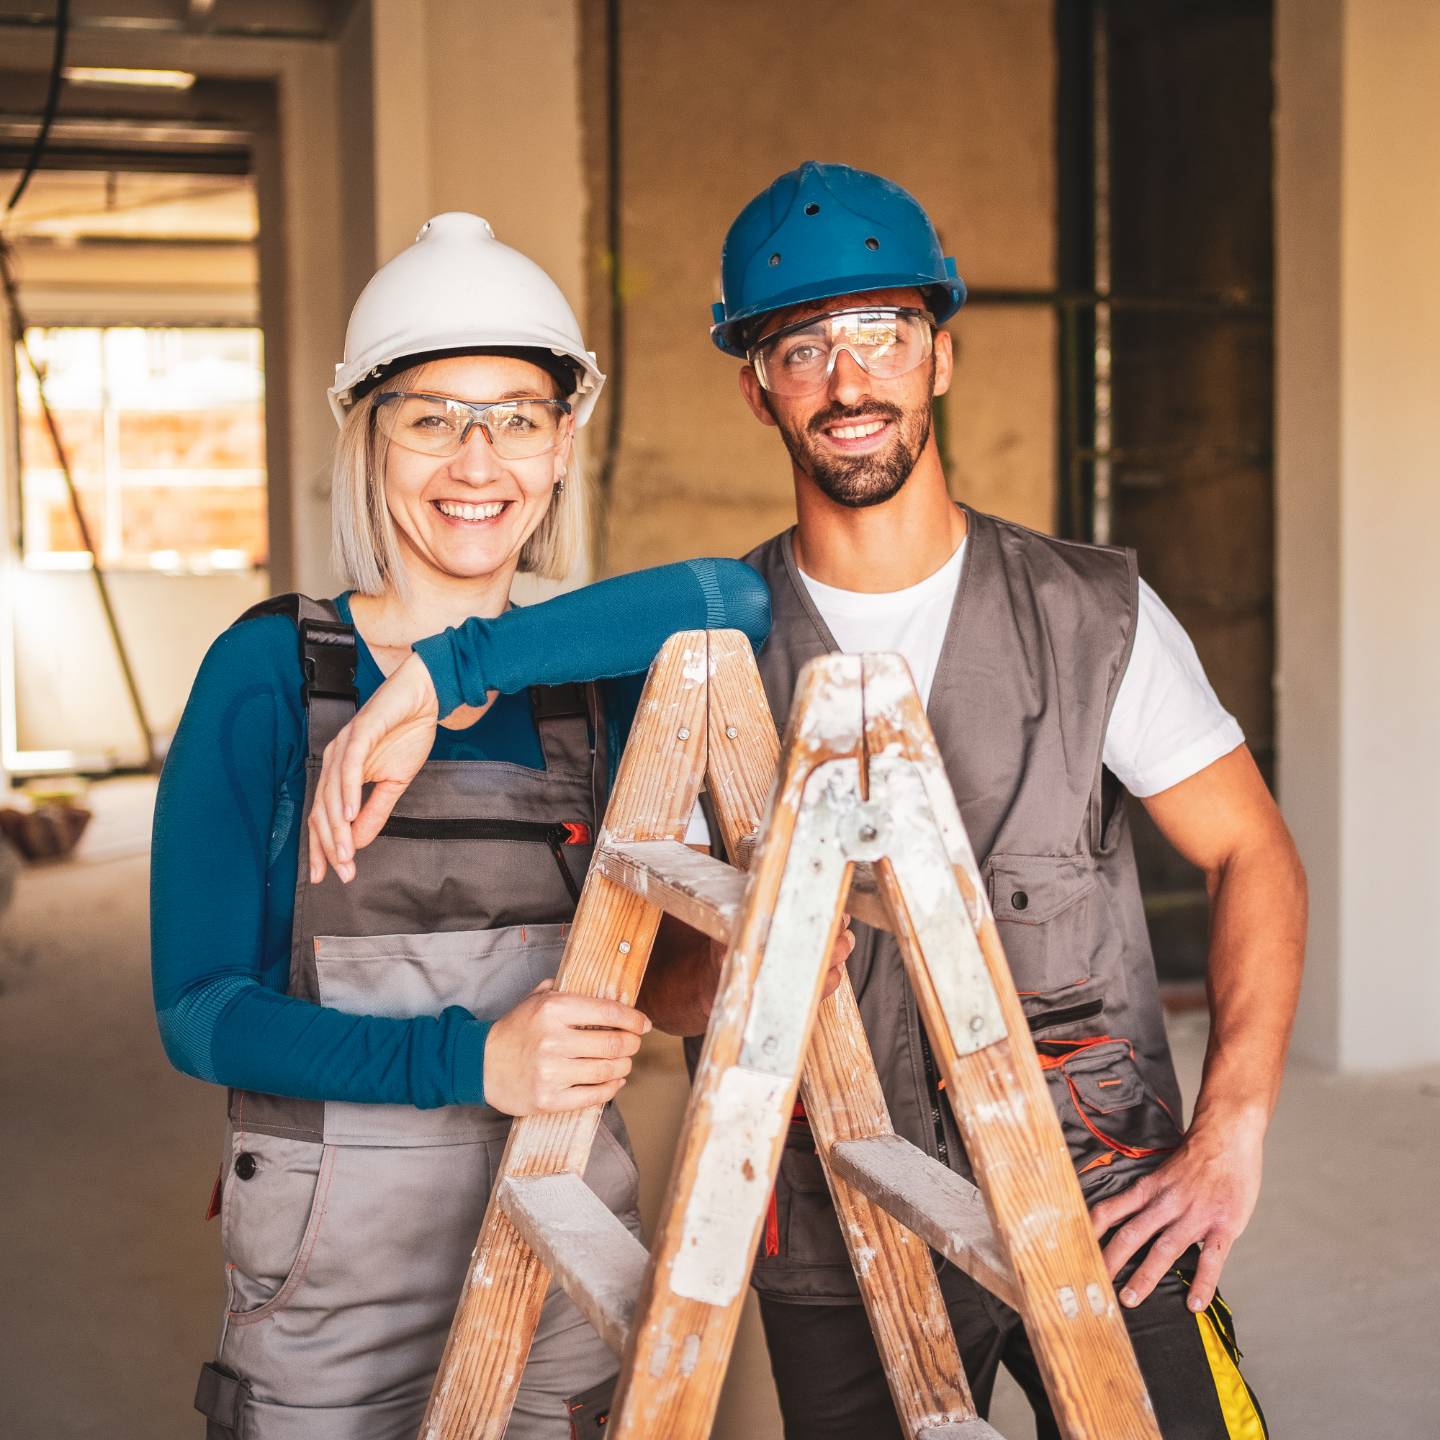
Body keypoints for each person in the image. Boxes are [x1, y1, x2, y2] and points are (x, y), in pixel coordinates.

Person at [640, 162, 1304, 1439]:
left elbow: (1252, 856)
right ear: (754, 386)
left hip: (1109, 1190)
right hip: (832, 1220)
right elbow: (651, 977)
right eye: (802, 347)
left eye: (883, 332)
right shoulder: (709, 652)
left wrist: (1229, 1133)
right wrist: (743, 972)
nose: (849, 380)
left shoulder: (1092, 614)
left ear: (937, 356)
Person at [151, 212, 773, 1440]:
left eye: (517, 418)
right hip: (335, 1271)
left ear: (559, 449)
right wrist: (472, 1062)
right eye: (432, 417)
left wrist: (444, 673)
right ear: (368, 440)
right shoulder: (268, 668)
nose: (475, 460)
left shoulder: (596, 673)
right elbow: (199, 1010)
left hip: (561, 1217)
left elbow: (737, 594)